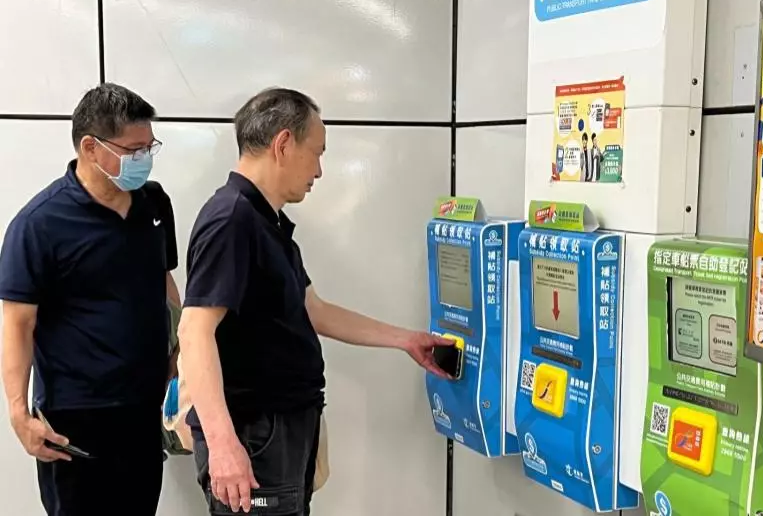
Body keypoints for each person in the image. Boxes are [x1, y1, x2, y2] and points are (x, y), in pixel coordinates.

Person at [178, 87, 453, 515]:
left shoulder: (265, 221)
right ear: (283, 144)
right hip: (253, 432)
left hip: (280, 427)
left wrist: (406, 340)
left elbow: (314, 311)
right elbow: (194, 332)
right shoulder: (232, 220)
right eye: (317, 153)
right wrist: (223, 445)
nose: (320, 171)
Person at [0, 83, 180, 515]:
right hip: (75, 418)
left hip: (144, 408)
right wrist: (19, 414)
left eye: (149, 147)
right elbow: (17, 323)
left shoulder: (154, 204)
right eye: (133, 150)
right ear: (90, 147)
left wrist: (180, 354)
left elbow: (164, 282)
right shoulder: (39, 224)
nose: (144, 158)